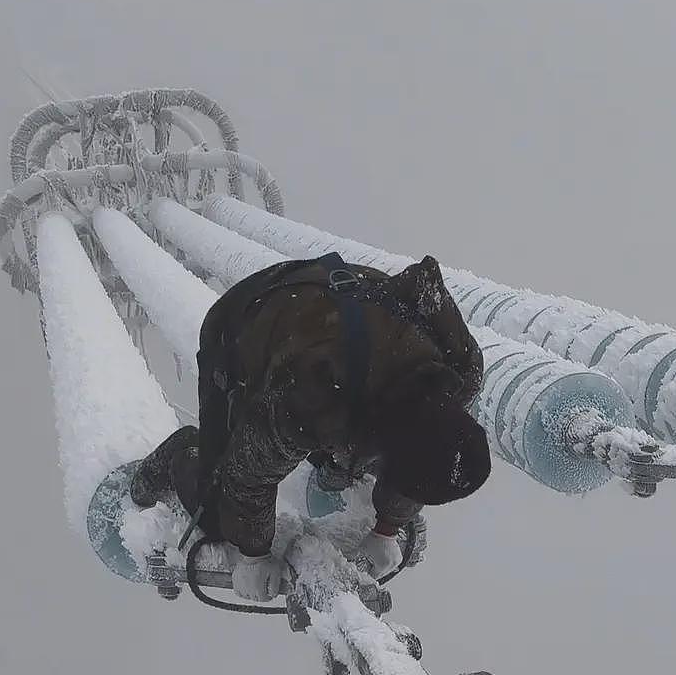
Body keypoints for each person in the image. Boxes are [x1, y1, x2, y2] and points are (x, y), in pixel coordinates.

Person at [130, 252, 491, 602]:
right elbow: (248, 476)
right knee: (217, 512)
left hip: (343, 305)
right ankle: (178, 455)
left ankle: (336, 464)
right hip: (247, 318)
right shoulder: (313, 394)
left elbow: (422, 453)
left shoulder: (461, 370)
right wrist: (252, 553)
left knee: (345, 462)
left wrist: (387, 528)